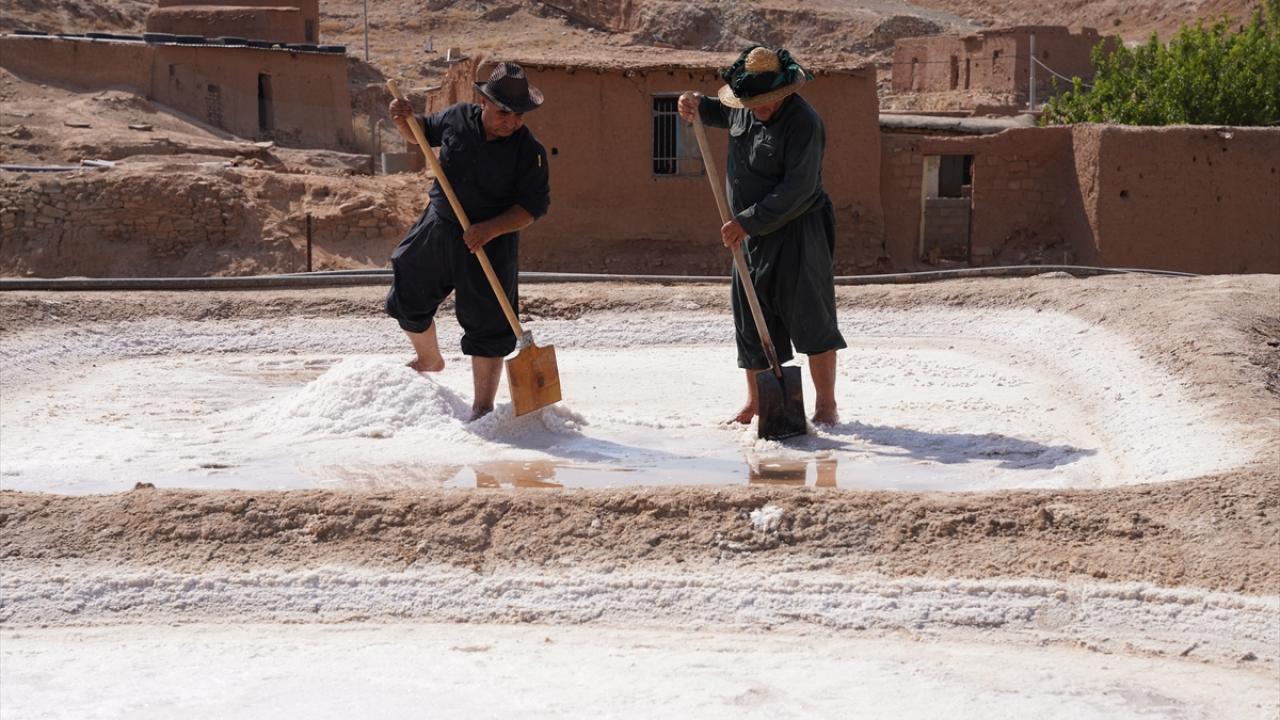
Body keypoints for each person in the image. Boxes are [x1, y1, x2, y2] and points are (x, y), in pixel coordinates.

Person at [678, 46, 845, 426]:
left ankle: (825, 406)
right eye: (752, 102)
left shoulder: (804, 122)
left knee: (811, 315)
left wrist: (748, 221)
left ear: (784, 92)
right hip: (749, 235)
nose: (760, 108)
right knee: (750, 318)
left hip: (797, 229)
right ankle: (756, 402)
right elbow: (715, 110)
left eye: (767, 102)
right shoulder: (744, 107)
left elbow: (798, 188)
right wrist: (694, 104)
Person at [386, 62, 551, 420]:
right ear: (484, 103)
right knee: (408, 283)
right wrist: (402, 120)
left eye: (519, 115)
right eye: (505, 112)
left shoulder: (529, 151)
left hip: (491, 241)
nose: (512, 121)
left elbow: (532, 208)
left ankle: (482, 407)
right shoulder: (457, 118)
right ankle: (429, 358)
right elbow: (420, 133)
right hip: (440, 225)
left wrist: (490, 229)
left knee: (489, 323)